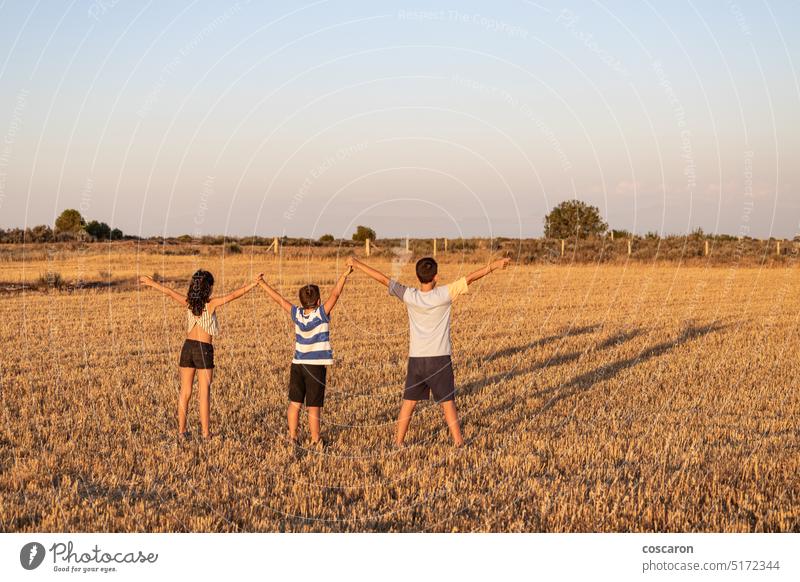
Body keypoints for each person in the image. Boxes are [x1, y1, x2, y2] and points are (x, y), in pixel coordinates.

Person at [348, 255, 511, 447]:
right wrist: (494, 265)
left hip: (417, 359)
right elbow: (471, 278)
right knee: (447, 402)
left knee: (408, 402)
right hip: (439, 359)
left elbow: (384, 279)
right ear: (436, 277)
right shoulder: (445, 294)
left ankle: (398, 441)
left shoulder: (410, 295)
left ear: (418, 277)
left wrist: (357, 264)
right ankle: (458, 441)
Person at [139, 270, 261, 440]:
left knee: (185, 391)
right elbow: (234, 295)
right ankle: (205, 433)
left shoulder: (188, 302)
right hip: (204, 349)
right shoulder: (211, 304)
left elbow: (168, 291)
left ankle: (181, 431)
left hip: (187, 347)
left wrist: (151, 283)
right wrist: (253, 284)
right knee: (204, 393)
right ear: (208, 288)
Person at [257, 265, 353, 449]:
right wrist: (343, 275)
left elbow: (279, 300)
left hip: (297, 364)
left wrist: (263, 284)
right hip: (315, 367)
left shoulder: (297, 314)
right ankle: (316, 439)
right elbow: (335, 295)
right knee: (313, 406)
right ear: (318, 301)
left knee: (295, 403)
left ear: (301, 302)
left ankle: (293, 437)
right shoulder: (322, 314)